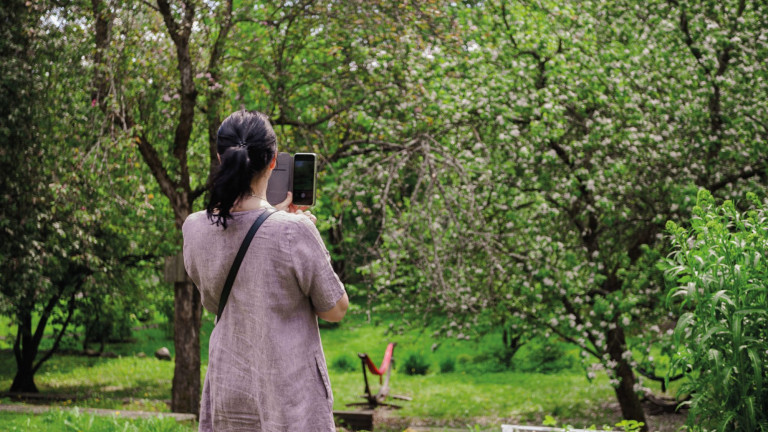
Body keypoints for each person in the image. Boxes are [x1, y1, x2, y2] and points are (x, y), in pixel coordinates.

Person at [182, 110, 348, 431]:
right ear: (273, 161)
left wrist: (274, 217)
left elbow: (214, 303)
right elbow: (335, 310)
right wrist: (299, 230)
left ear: (220, 157)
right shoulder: (294, 232)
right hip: (289, 398)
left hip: (228, 390)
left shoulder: (195, 227)